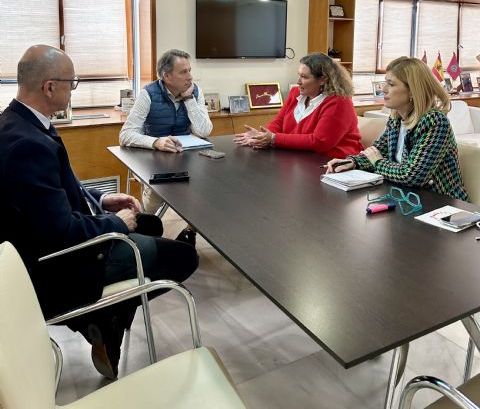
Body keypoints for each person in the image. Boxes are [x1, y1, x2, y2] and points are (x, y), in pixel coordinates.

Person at [0, 45, 199, 379]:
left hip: (49, 243)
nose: (73, 89)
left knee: (148, 223)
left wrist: (102, 201)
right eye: (71, 82)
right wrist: (114, 223)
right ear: (50, 87)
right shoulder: (27, 144)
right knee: (183, 258)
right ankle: (105, 321)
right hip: (59, 265)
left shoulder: (19, 124)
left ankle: (107, 322)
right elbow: (61, 232)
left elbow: (57, 192)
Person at [326, 56, 468, 200]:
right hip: (408, 198)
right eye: (385, 83)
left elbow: (412, 176)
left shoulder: (435, 122)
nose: (383, 89)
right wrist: (352, 162)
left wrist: (378, 162)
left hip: (441, 205)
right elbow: (376, 152)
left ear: (412, 91)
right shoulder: (396, 119)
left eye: (391, 84)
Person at [120, 49, 212, 241]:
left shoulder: (195, 92)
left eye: (190, 70)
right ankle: (145, 229)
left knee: (205, 189)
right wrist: (157, 142)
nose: (190, 77)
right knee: (157, 194)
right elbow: (126, 135)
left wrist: (189, 99)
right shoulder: (148, 94)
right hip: (153, 158)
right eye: (183, 72)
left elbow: (204, 131)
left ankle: (189, 232)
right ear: (166, 76)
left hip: (185, 155)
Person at [234, 52, 363, 156]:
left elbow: (319, 142)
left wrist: (273, 139)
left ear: (323, 79)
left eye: (305, 77)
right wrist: (262, 136)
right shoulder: (295, 92)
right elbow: (279, 123)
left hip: (334, 162)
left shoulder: (339, 102)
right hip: (300, 157)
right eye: (299, 75)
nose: (298, 81)